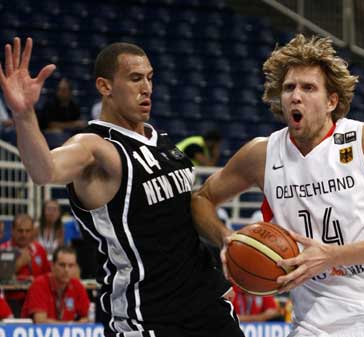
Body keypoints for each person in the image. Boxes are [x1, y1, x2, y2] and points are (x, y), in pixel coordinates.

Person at [191, 34, 364, 336]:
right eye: (289, 88)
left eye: (308, 88)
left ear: (331, 101)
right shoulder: (261, 155)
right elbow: (201, 198)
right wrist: (225, 239)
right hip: (315, 327)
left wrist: (332, 256)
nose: (296, 96)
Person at [0, 37, 243, 337]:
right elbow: (44, 171)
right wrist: (24, 115)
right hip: (148, 315)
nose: (147, 88)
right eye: (135, 78)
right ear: (105, 87)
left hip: (207, 306)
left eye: (150, 78)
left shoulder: (162, 141)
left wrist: (222, 243)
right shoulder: (96, 146)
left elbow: (183, 215)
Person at [21, 246, 90, 323]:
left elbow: (87, 318)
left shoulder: (77, 285)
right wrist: (70, 327)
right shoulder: (39, 284)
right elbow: (40, 321)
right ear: (52, 266)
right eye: (62, 265)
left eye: (71, 266)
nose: (66, 270)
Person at [0, 213, 51, 317]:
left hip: (36, 299)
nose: (24, 234)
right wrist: (19, 264)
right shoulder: (3, 249)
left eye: (27, 231)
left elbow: (48, 276)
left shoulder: (39, 250)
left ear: (33, 232)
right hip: (10, 300)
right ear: (12, 231)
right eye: (20, 231)